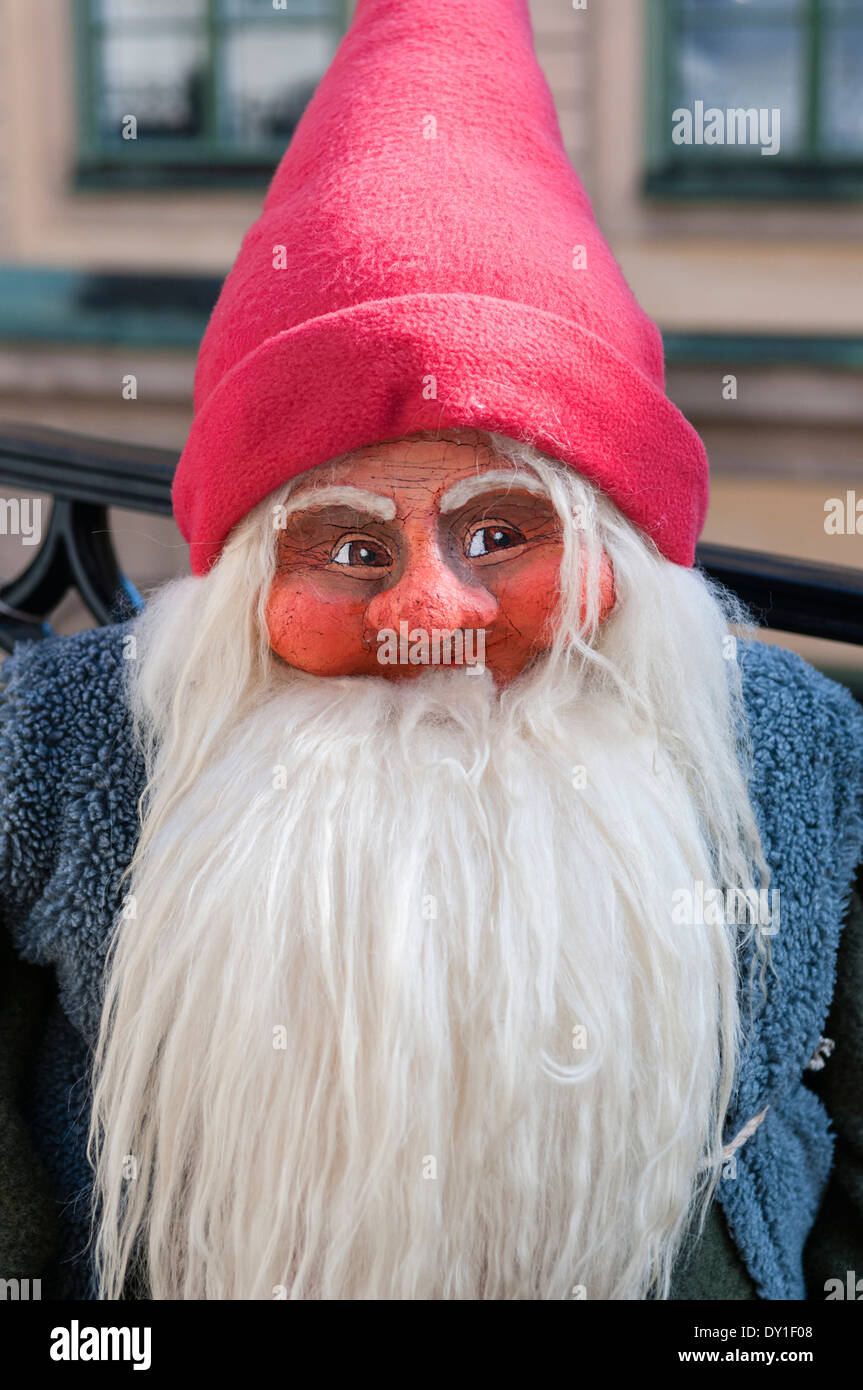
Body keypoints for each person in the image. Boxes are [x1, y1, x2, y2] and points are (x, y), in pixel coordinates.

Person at [1, 0, 861, 1302]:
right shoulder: (79, 746)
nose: (433, 614)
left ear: (615, 558)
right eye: (350, 547)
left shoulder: (792, 755)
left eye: (504, 532)